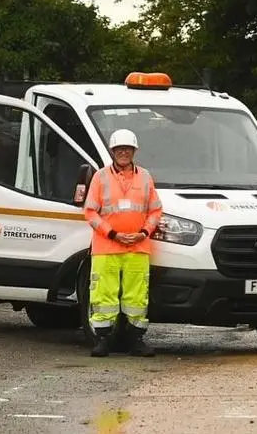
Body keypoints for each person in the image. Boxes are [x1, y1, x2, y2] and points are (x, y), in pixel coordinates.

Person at [83, 129, 163, 358]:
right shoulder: (100, 177)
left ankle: (136, 340)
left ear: (134, 151)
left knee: (137, 296)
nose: (124, 153)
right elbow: (90, 212)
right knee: (103, 294)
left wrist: (144, 232)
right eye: (119, 149)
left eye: (128, 149)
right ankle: (102, 340)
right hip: (107, 247)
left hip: (137, 247)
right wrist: (112, 234)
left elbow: (155, 210)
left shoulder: (145, 177)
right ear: (112, 151)